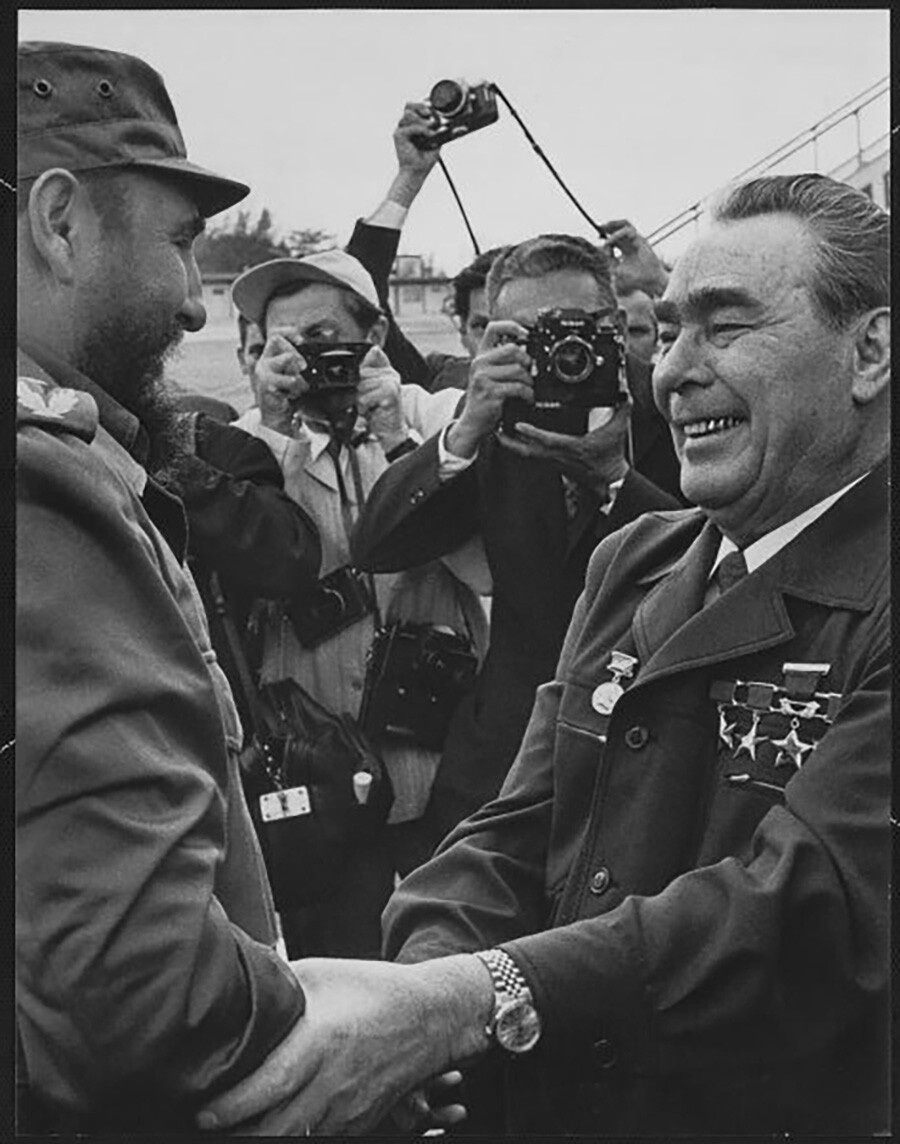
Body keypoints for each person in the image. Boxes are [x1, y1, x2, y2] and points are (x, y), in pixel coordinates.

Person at [196, 172, 890, 1138]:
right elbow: (511, 829)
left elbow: (808, 913)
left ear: (872, 351)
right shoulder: (638, 560)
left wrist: (466, 1002)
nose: (672, 372)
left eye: (724, 327)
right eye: (674, 327)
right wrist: (419, 995)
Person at [15, 42, 309, 1132]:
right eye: (181, 246)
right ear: (59, 222)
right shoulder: (46, 487)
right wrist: (336, 1014)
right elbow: (135, 998)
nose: (194, 305)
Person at [351, 233, 682, 857]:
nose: (562, 349)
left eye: (577, 327)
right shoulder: (501, 416)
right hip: (505, 749)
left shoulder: (670, 402)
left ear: (614, 323)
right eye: (530, 335)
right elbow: (379, 545)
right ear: (492, 340)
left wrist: (615, 480)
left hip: (649, 746)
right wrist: (464, 431)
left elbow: (715, 554)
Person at [229, 249, 488, 957]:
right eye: (284, 345)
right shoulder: (252, 445)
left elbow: (489, 572)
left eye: (321, 341)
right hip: (320, 778)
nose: (309, 363)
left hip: (434, 765)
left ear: (371, 338)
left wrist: (402, 444)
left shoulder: (430, 421)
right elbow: (236, 570)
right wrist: (273, 430)